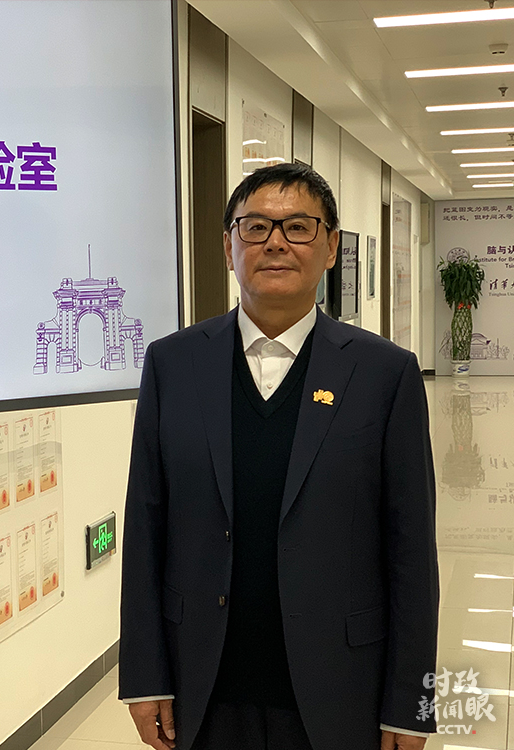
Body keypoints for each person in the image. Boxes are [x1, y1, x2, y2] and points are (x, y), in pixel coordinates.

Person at [118, 163, 438, 750]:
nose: (275, 242)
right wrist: (143, 676)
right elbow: (145, 526)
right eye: (256, 226)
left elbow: (411, 548)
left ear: (331, 247)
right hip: (203, 683)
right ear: (228, 246)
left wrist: (410, 706)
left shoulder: (384, 373)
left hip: (341, 685)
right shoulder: (173, 364)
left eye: (298, 227)